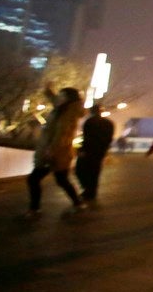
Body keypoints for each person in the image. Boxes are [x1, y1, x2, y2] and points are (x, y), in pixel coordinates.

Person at [25, 85, 86, 218]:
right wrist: (48, 90)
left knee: (33, 179)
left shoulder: (68, 113)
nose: (58, 97)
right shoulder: (62, 108)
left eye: (61, 95)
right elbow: (54, 100)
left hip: (56, 153)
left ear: (68, 98)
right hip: (55, 151)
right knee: (61, 180)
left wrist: (51, 150)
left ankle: (34, 209)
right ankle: (78, 203)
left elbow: (62, 134)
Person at [75, 101, 115, 205]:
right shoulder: (109, 123)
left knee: (80, 170)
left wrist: (82, 149)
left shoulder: (90, 122)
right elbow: (109, 139)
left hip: (89, 151)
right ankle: (92, 192)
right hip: (100, 151)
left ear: (92, 111)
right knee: (95, 172)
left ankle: (87, 189)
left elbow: (86, 138)